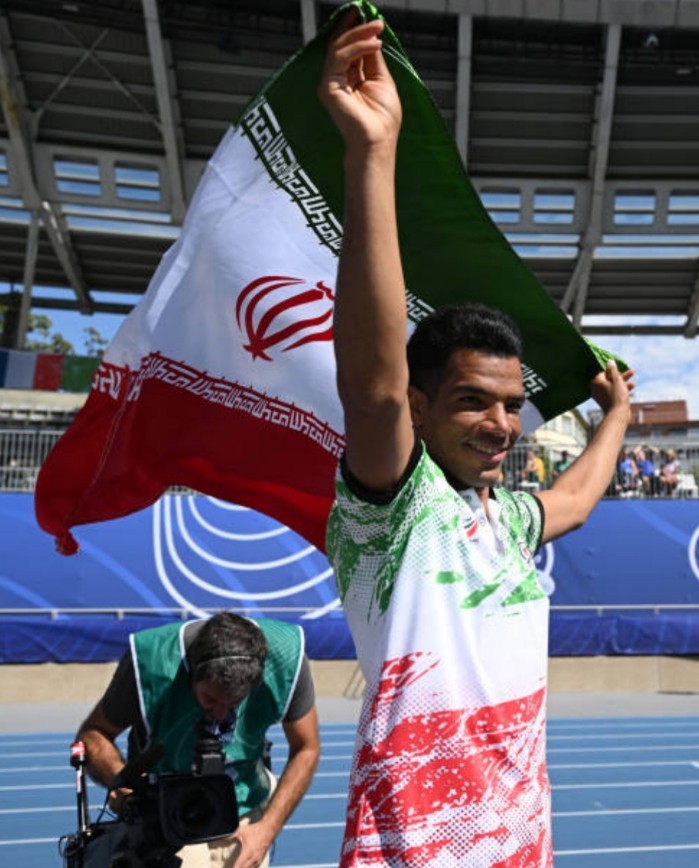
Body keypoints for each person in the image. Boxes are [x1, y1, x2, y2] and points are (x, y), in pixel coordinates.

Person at [319, 12, 634, 867]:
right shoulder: (395, 512)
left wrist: (616, 419)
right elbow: (374, 384)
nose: (499, 423)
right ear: (420, 409)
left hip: (520, 843)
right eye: (470, 402)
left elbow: (569, 499)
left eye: (509, 404)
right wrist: (371, 155)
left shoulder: (503, 521)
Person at [76, 612, 320, 868]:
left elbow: (306, 747)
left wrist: (266, 830)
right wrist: (122, 786)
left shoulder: (286, 659)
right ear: (192, 671)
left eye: (234, 703)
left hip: (244, 811)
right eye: (211, 699)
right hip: (167, 816)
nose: (221, 714)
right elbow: (94, 734)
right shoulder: (151, 663)